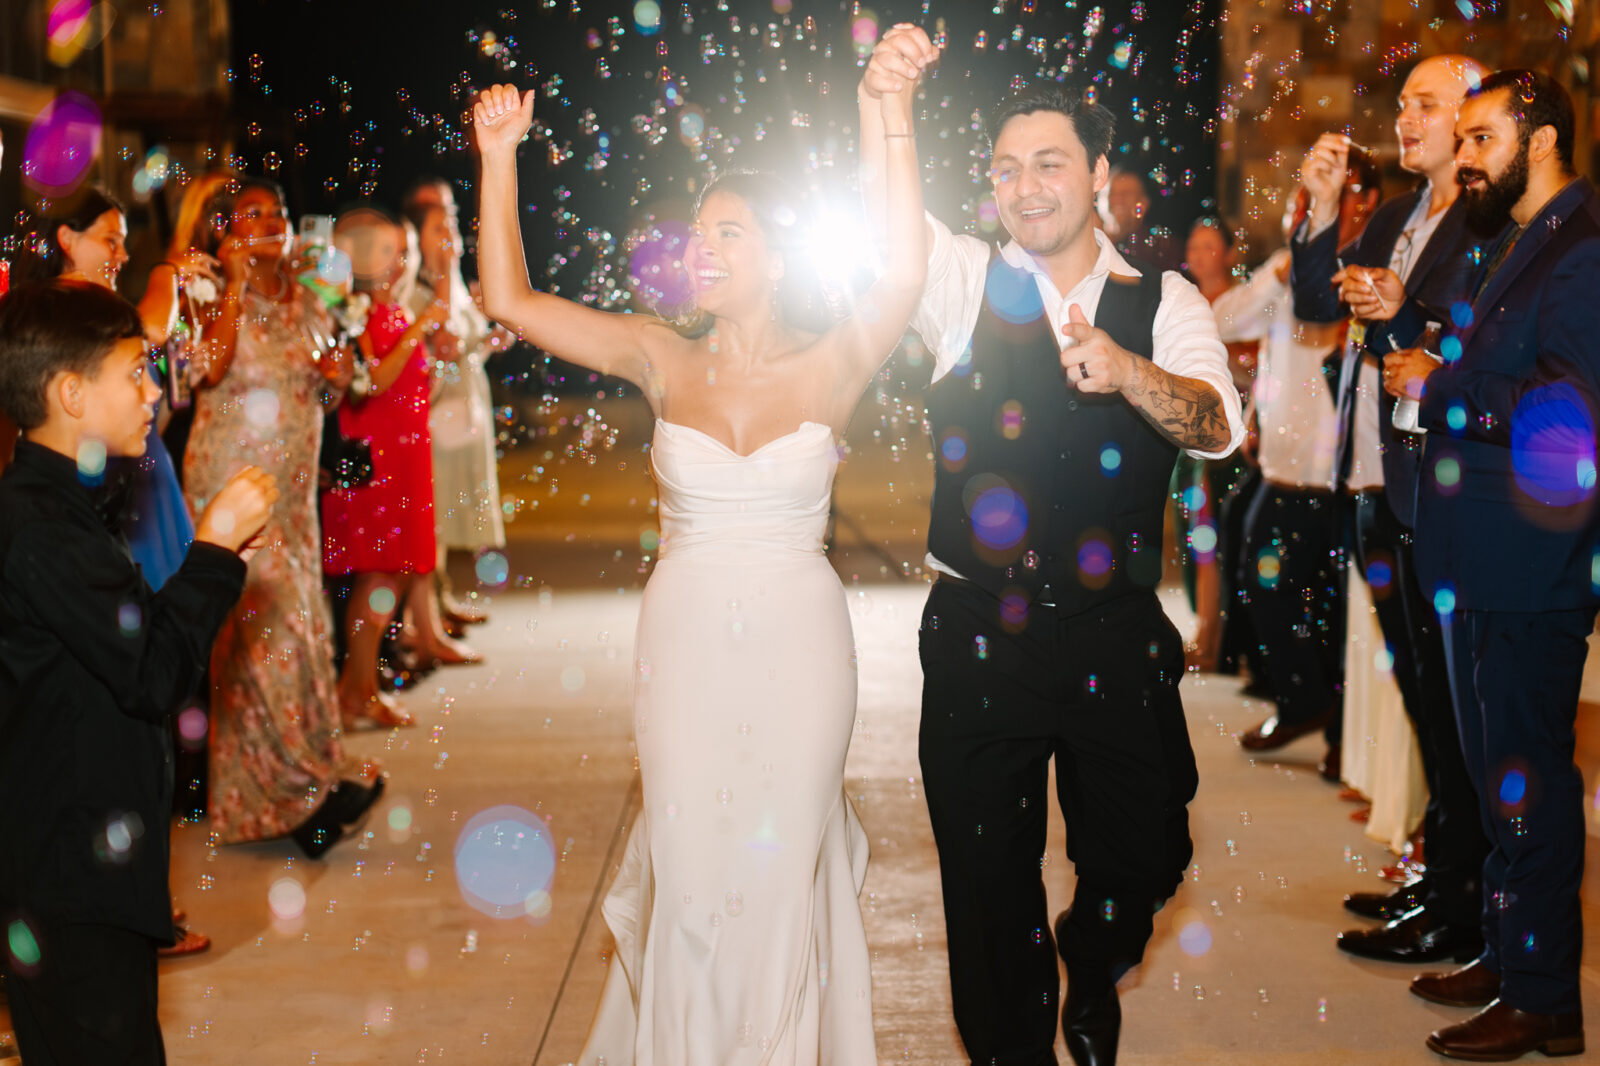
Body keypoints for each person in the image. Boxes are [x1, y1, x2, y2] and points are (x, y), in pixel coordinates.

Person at [471, 40, 927, 1059]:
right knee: (689, 871)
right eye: (697, 233)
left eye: (730, 231)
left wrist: (891, 107)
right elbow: (511, 302)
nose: (702, 248)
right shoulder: (657, 353)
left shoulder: (837, 360)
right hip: (683, 645)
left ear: (781, 255)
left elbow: (904, 267)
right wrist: (498, 157)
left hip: (801, 645)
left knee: (778, 871)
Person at [862, 27, 1243, 1066]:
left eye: (1049, 163)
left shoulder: (1164, 301)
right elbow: (890, 229)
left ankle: (1094, 950)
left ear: (1098, 173)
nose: (1025, 187)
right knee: (988, 885)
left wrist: (1128, 372)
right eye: (1004, 168)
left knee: (1148, 849)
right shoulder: (961, 282)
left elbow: (1218, 426)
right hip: (979, 632)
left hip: (1114, 629)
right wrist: (885, 105)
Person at [0, 278, 274, 1064]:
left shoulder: (59, 506)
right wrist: (213, 552)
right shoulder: (42, 528)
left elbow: (125, 641)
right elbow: (152, 673)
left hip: (77, 859)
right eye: (134, 372)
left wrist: (213, 561)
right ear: (70, 394)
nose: (153, 390)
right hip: (68, 877)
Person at [1389, 69, 1598, 1062]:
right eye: (1462, 138)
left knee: (1528, 783)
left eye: (1481, 138)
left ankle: (1544, 998)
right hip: (1479, 555)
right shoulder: (1510, 239)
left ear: (1541, 139)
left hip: (1529, 565)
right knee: (1492, 780)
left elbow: (1570, 412)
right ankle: (1507, 957)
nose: (1463, 157)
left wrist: (1439, 390)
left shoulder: (1581, 249)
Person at [1289, 55, 1493, 968]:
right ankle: (1442, 875)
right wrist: (1321, 208)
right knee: (1423, 700)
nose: (1406, 119)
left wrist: (1412, 317)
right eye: (1403, 103)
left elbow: (1472, 340)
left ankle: (1461, 901)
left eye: (1428, 105)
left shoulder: (1486, 221)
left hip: (1438, 489)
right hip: (1377, 484)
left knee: (1453, 710)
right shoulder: (1405, 213)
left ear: (1475, 117)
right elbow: (1314, 301)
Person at [182, 175, 382, 858]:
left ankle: (291, 790)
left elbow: (320, 391)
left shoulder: (309, 298)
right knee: (268, 639)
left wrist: (336, 379)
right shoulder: (209, 290)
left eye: (278, 211)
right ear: (226, 230)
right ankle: (301, 797)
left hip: (293, 495)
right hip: (233, 489)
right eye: (251, 213)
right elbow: (207, 371)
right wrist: (234, 284)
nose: (268, 221)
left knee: (293, 631)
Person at [1234, 154, 1379, 783]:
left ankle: (1342, 733)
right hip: (1285, 467)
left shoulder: (1371, 266)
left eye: (1338, 191)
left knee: (1340, 610)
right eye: (1309, 191)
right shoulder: (1288, 265)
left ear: (1367, 200)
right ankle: (1304, 701)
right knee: (1264, 585)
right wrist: (1277, 277)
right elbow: (1226, 320)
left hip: (1341, 472)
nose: (1311, 201)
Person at [322, 209, 462, 729]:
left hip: (405, 455)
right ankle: (355, 690)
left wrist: (437, 354)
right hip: (376, 460)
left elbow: (415, 387)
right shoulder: (352, 312)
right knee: (377, 572)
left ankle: (359, 687)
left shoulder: (395, 310)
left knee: (397, 571)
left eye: (403, 251)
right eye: (389, 251)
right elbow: (372, 381)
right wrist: (421, 329)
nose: (401, 262)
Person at [401, 180, 513, 630]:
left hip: (463, 409)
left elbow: (462, 351)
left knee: (446, 510)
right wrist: (448, 274)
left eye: (452, 219)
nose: (450, 231)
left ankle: (440, 599)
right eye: (438, 225)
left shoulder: (456, 283)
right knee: (434, 512)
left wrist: (489, 341)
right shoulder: (415, 287)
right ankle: (422, 618)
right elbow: (442, 345)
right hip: (433, 416)